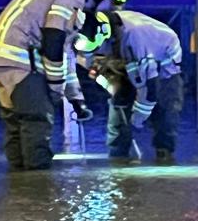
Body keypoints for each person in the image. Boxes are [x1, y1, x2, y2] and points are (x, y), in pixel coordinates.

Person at [0, 0, 129, 170]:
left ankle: (18, 192)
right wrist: (55, 85)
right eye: (110, 2)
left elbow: (65, 54)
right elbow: (54, 38)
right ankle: (38, 191)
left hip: (1, 58)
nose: (106, 9)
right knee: (37, 120)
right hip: (20, 59)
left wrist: (76, 100)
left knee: (16, 124)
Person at [76, 10, 184, 165]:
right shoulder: (84, 31)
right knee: (118, 107)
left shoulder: (137, 37)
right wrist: (114, 89)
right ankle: (118, 156)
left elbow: (149, 90)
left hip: (162, 66)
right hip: (123, 58)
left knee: (165, 111)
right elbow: (89, 64)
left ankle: (164, 155)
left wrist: (136, 119)